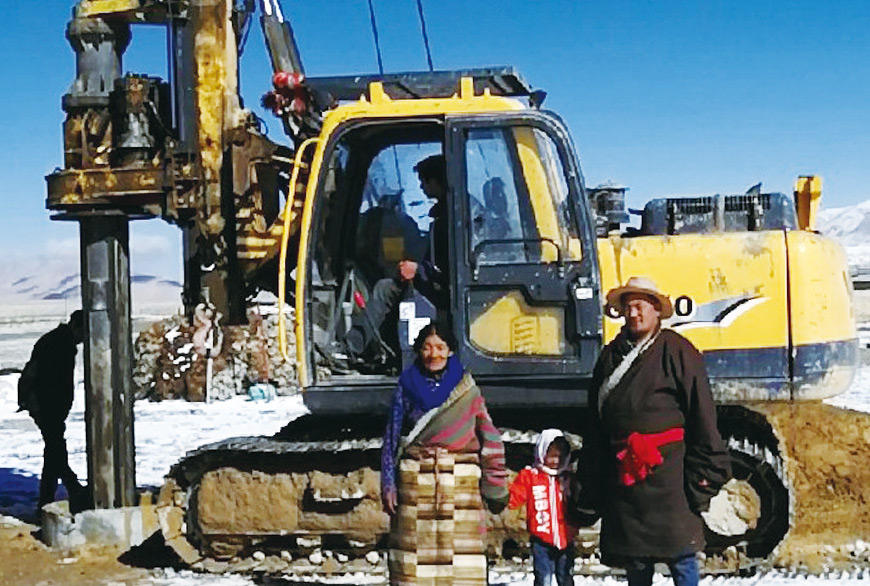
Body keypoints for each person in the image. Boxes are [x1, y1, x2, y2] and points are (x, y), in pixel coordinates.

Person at [575, 276, 731, 586]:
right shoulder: (610, 356)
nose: (634, 313)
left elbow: (702, 414)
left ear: (656, 310)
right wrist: (592, 481)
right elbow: (595, 422)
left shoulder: (678, 351)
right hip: (626, 477)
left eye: (641, 306)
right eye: (629, 307)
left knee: (681, 554)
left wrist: (705, 472)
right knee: (635, 559)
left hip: (670, 475)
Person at [381, 321, 508, 585]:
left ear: (450, 350)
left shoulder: (466, 390)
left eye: (440, 347)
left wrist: (495, 486)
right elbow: (392, 436)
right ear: (419, 351)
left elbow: (489, 435)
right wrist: (388, 482)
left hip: (459, 484)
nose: (433, 354)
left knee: (460, 564)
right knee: (414, 566)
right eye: (427, 348)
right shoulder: (406, 386)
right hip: (416, 482)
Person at [349, 154, 449, 358]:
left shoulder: (452, 216)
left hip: (444, 290)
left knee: (384, 289)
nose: (421, 188)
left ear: (435, 181)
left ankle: (353, 347)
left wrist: (418, 270)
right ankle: (386, 350)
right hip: (437, 282)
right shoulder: (448, 212)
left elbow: (451, 267)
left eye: (423, 182)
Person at [17, 310, 89, 517]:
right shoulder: (58, 343)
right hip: (46, 405)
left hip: (49, 406)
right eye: (83, 333)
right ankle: (72, 489)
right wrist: (37, 405)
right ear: (76, 326)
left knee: (54, 452)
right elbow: (40, 376)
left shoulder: (59, 341)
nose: (83, 339)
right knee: (56, 450)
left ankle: (49, 497)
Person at [509, 429, 578, 586]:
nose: (556, 461)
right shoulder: (531, 476)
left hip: (566, 537)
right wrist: (501, 497)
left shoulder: (568, 478)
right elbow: (514, 497)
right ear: (542, 453)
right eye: (552, 456)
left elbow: (579, 501)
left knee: (565, 577)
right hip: (541, 537)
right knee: (543, 577)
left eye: (560, 457)